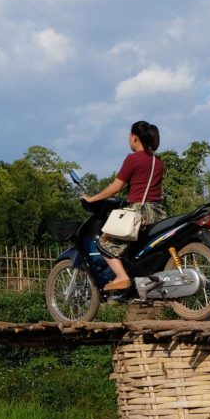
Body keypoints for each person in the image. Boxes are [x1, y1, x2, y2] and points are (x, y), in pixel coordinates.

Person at [82, 120, 165, 293]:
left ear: (135, 137)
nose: (128, 139)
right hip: (157, 212)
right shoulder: (158, 162)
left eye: (129, 135)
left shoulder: (133, 159)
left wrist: (91, 198)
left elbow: (115, 187)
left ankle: (122, 277)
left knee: (104, 245)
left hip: (138, 213)